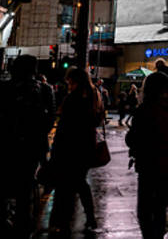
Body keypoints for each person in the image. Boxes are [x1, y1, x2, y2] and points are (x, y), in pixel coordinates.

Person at [0, 55, 55, 237]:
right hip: (31, 147)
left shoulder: (3, 88)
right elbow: (50, 119)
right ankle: (22, 225)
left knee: (1, 187)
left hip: (4, 144)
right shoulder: (44, 89)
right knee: (25, 188)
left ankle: (1, 223)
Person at [126, 72, 168, 239]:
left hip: (149, 162)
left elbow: (133, 138)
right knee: (160, 205)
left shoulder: (146, 109)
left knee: (145, 209)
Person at [49, 67, 103, 234]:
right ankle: (90, 216)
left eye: (69, 82)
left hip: (70, 148)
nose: (68, 85)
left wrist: (55, 148)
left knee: (67, 185)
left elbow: (65, 126)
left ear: (75, 81)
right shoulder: (94, 95)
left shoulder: (74, 98)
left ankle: (62, 221)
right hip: (86, 146)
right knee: (80, 182)